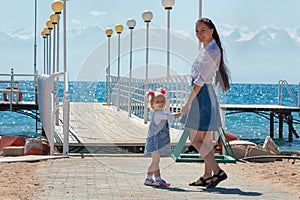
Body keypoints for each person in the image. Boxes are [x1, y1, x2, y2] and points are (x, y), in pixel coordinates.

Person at [181, 18, 231, 188]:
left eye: (203, 30)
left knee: (195, 138)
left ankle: (218, 172)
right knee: (205, 140)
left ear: (211, 30)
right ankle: (207, 176)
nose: (199, 34)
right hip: (204, 95)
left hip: (202, 96)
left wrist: (187, 104)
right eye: (197, 31)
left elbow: (200, 81)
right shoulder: (208, 49)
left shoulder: (212, 51)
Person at [144, 88, 181, 187]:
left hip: (155, 141)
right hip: (155, 141)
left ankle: (148, 178)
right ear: (152, 104)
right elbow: (170, 117)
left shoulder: (158, 113)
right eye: (157, 102)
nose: (160, 103)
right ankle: (158, 179)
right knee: (156, 161)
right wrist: (182, 113)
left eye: (162, 101)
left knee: (155, 160)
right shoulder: (158, 114)